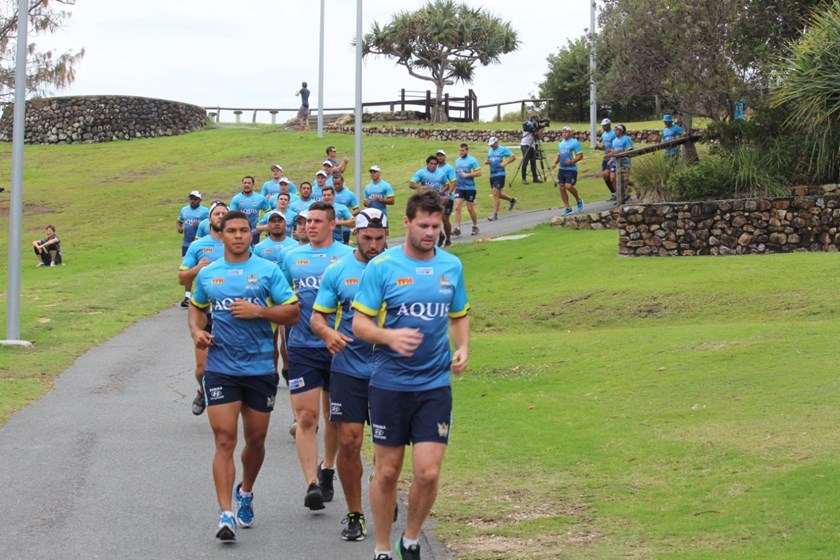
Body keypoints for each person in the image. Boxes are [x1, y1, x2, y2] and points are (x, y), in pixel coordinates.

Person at [352, 190, 470, 560]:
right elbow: (359, 324)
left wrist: (463, 347)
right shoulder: (382, 267)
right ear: (406, 223)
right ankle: (382, 546)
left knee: (428, 473)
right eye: (423, 225)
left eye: (435, 226)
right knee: (387, 472)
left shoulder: (451, 266)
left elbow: (459, 315)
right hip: (389, 385)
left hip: (434, 385)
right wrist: (389, 336)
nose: (430, 232)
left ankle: (411, 538)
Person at [189, 210, 299, 543]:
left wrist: (260, 311)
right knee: (224, 439)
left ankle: (246, 491)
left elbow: (293, 312)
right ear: (220, 235)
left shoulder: (268, 271)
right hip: (221, 368)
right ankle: (225, 514)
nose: (238, 236)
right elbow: (197, 307)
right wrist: (197, 331)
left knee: (256, 440)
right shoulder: (209, 274)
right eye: (231, 231)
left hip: (260, 369)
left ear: (252, 234)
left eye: (243, 230)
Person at [310, 208, 388, 542]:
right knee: (349, 441)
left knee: (387, 446)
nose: (373, 245)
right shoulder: (338, 270)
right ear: (355, 234)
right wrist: (328, 334)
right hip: (348, 368)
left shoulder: (398, 267)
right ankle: (355, 513)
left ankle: (383, 490)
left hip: (389, 371)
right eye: (367, 238)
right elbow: (317, 317)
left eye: (379, 239)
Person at [281, 202, 354, 512]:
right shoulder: (291, 257)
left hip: (338, 347)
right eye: (307, 221)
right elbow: (280, 297)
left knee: (333, 416)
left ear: (332, 224)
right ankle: (311, 483)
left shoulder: (348, 256)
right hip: (302, 347)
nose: (310, 226)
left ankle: (328, 468)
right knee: (307, 418)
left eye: (317, 221)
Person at [178, 201, 230, 416]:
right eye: (217, 213)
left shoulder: (239, 244)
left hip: (230, 314)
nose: (220, 216)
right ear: (209, 219)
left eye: (224, 213)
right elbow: (182, 278)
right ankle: (202, 390)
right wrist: (198, 268)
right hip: (205, 312)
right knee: (202, 369)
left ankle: (225, 406)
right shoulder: (198, 246)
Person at [177, 191, 210, 306]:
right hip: (187, 244)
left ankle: (204, 295)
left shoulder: (205, 211)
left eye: (195, 199)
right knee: (186, 270)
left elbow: (210, 224)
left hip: (201, 246)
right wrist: (179, 228)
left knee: (202, 270)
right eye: (191, 198)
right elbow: (179, 220)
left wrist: (199, 224)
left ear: (200, 200)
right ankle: (187, 297)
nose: (193, 201)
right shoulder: (184, 210)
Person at [551, 126, 584, 216]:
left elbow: (580, 155)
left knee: (568, 186)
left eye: (566, 132)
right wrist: (554, 163)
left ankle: (578, 200)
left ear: (570, 133)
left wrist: (572, 161)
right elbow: (559, 155)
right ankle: (567, 208)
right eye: (563, 132)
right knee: (561, 188)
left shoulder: (574, 142)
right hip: (562, 169)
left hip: (571, 169)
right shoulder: (561, 144)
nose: (564, 134)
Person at [230, 176, 270, 247]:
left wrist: (261, 224)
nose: (246, 185)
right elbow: (231, 216)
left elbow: (268, 212)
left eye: (249, 183)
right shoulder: (236, 199)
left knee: (253, 250)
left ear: (253, 184)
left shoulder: (260, 198)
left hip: (254, 232)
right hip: (240, 231)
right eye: (245, 183)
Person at [485, 136, 517, 222]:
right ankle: (512, 200)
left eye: (493, 144)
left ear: (497, 143)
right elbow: (488, 159)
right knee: (497, 194)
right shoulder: (490, 151)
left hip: (500, 174)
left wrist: (505, 162)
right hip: (492, 175)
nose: (491, 146)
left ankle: (495, 214)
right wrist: (487, 162)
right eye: (490, 145)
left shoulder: (503, 149)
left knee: (495, 193)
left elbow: (513, 157)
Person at [453, 143, 482, 237]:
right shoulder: (457, 161)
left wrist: (467, 175)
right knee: (457, 207)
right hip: (459, 188)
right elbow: (456, 172)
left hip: (470, 188)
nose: (461, 152)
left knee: (470, 208)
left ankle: (475, 226)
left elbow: (479, 173)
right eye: (460, 150)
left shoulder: (472, 160)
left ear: (467, 150)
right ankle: (457, 228)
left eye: (463, 150)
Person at [606, 124, 634, 200]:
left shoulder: (626, 139)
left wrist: (620, 153)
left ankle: (626, 194)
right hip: (615, 162)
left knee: (625, 179)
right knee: (612, 178)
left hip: (624, 162)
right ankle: (618, 194)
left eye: (617, 130)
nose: (615, 131)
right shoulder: (614, 141)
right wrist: (611, 158)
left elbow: (630, 150)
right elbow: (614, 151)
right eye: (614, 130)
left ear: (621, 131)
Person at [594, 118, 618, 201]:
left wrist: (613, 153)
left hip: (613, 156)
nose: (603, 127)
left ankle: (620, 192)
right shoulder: (604, 134)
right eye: (603, 126)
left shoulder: (614, 133)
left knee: (611, 176)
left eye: (605, 125)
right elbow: (605, 147)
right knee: (605, 176)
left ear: (609, 125)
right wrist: (598, 148)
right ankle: (614, 193)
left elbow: (617, 144)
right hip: (606, 156)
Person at [520, 114, 544, 184]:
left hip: (532, 146)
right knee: (525, 161)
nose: (537, 121)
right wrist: (537, 127)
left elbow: (538, 137)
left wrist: (541, 129)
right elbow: (527, 128)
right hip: (525, 145)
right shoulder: (527, 124)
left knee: (533, 162)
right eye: (536, 119)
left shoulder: (535, 126)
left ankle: (535, 178)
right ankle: (524, 178)